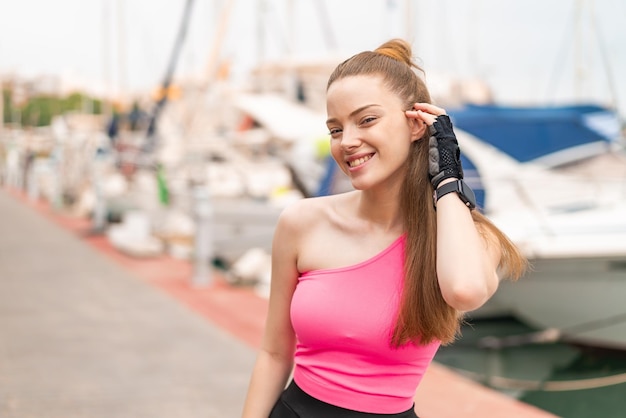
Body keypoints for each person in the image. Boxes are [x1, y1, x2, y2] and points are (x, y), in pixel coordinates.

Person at [241, 39, 527, 418]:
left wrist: (447, 175)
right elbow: (275, 352)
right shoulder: (301, 223)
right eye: (335, 129)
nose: (348, 141)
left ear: (415, 124)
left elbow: (464, 289)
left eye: (367, 120)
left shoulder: (471, 238)